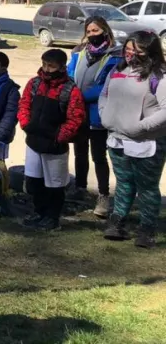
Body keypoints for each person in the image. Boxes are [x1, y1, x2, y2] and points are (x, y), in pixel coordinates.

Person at [99, 32, 166, 249]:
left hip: (147, 142)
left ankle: (147, 229)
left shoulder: (160, 76)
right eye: (128, 49)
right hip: (117, 139)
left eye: (138, 51)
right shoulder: (117, 70)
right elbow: (105, 95)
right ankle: (117, 222)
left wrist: (139, 127)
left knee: (147, 186)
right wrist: (105, 116)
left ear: (150, 52)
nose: (131, 55)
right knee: (124, 182)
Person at [17, 48, 86, 231]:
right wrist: (25, 124)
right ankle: (39, 212)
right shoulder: (34, 84)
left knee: (54, 185)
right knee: (33, 181)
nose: (47, 70)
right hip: (33, 141)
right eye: (45, 65)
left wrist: (60, 136)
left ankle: (52, 217)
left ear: (62, 67)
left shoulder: (70, 90)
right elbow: (24, 104)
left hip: (55, 146)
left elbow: (75, 118)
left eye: (51, 66)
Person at [68, 17, 121, 218]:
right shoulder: (78, 52)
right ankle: (80, 188)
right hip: (78, 113)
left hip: (98, 113)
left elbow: (107, 85)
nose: (92, 34)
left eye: (96, 30)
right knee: (80, 153)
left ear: (105, 30)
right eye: (89, 31)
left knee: (98, 156)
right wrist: (71, 94)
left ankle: (103, 195)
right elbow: (70, 74)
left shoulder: (115, 56)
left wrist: (80, 96)